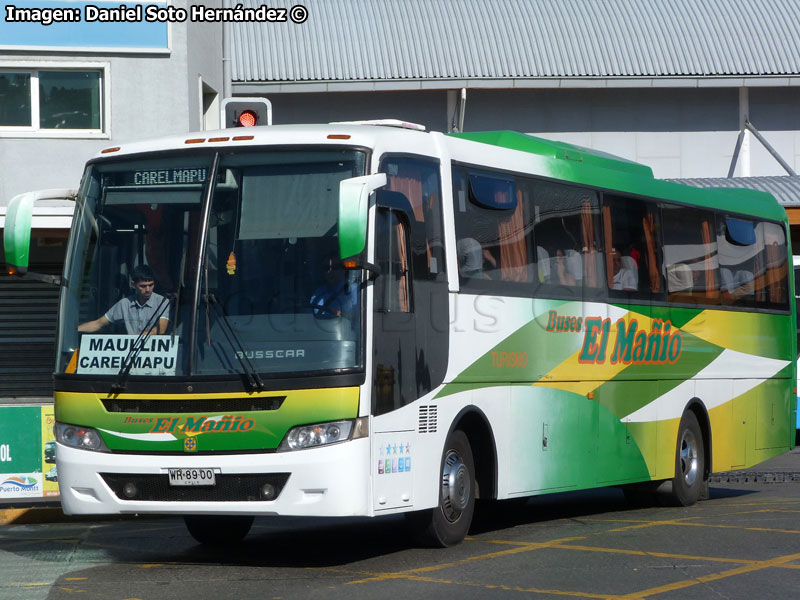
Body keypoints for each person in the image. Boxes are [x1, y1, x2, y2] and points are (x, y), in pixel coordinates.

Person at [78, 264, 170, 335]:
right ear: (133, 285)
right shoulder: (124, 304)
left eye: (151, 285)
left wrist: (141, 337)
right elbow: (98, 324)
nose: (148, 289)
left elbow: (161, 329)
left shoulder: (162, 302)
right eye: (143, 286)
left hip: (153, 353)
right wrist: (74, 330)